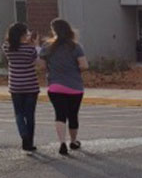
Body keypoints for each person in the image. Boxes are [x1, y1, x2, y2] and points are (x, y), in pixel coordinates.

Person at [37, 18, 88, 156]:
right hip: (75, 86)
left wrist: (52, 67)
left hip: (55, 86)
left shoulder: (47, 47)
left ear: (54, 31)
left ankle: (62, 143)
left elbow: (41, 66)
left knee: (60, 115)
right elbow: (84, 65)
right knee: (73, 115)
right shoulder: (75, 46)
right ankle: (74, 141)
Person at [2, 22, 40, 151]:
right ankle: (29, 141)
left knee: (18, 113)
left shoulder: (7, 47)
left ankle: (23, 135)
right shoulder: (30, 48)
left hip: (15, 85)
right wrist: (34, 45)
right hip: (31, 85)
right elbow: (36, 62)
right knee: (30, 114)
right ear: (23, 34)